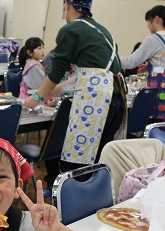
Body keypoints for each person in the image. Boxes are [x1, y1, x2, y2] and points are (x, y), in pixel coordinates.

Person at [23, 0, 125, 176]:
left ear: (68, 5)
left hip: (96, 104)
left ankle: (76, 199)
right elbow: (95, 71)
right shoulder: (103, 31)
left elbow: (57, 71)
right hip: (116, 100)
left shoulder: (71, 30)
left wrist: (37, 97)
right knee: (100, 161)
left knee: (78, 165)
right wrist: (55, 90)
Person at [120, 5, 165, 121]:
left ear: (156, 19)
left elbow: (131, 62)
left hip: (161, 90)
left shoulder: (153, 39)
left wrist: (113, 58)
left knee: (153, 125)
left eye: (148, 21)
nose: (147, 26)